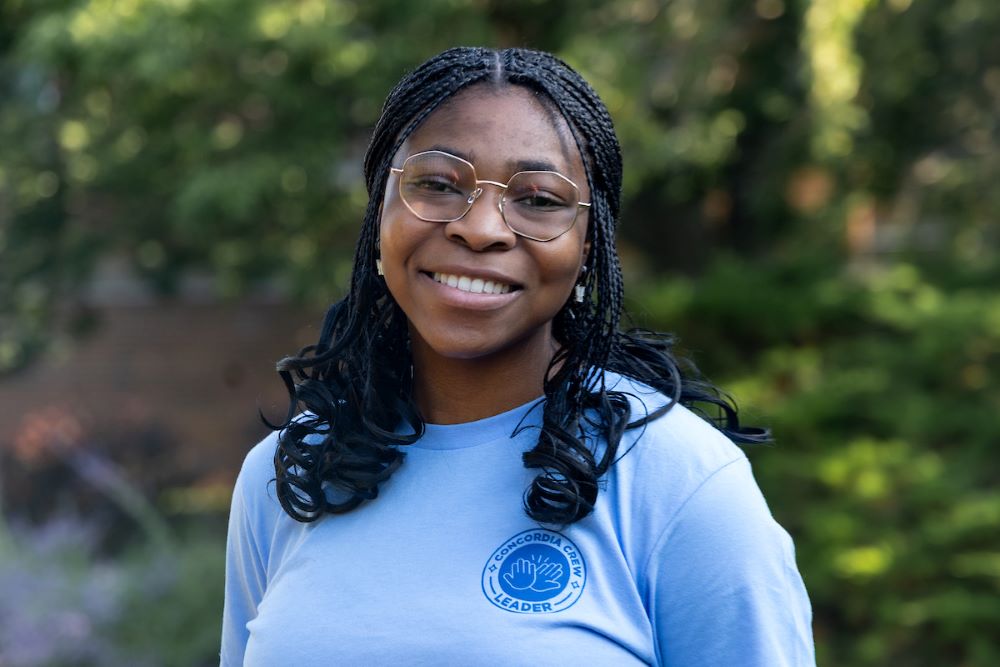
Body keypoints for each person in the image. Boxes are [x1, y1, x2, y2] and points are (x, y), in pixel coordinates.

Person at [221, 46, 815, 666]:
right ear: (380, 215)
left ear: (590, 246)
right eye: (437, 184)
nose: (481, 229)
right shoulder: (291, 473)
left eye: (538, 199)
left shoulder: (679, 480)